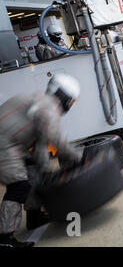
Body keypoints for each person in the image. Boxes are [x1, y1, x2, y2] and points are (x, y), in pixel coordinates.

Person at [0, 74, 84, 247]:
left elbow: (40, 149)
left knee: (34, 169)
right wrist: (80, 159)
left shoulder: (40, 103)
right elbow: (57, 138)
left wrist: (47, 173)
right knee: (18, 186)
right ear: (64, 97)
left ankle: (34, 215)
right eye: (72, 101)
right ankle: (4, 240)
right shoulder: (48, 106)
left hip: (10, 143)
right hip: (3, 144)